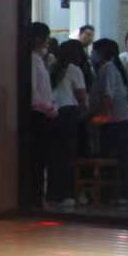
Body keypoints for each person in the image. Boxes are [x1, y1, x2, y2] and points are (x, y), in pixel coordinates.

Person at [90, 39, 128, 203]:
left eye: (94, 51)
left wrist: (103, 117)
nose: (92, 55)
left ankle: (125, 193)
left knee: (117, 155)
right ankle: (118, 193)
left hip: (115, 119)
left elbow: (108, 96)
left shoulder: (107, 68)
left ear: (101, 53)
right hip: (119, 118)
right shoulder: (111, 67)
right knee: (120, 155)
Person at [48, 39, 88, 209]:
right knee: (68, 155)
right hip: (69, 113)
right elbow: (81, 95)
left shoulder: (53, 67)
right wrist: (85, 110)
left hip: (53, 114)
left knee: (55, 156)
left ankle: (53, 193)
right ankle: (67, 194)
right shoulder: (74, 69)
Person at [29, 23, 59, 208]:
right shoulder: (33, 60)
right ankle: (35, 198)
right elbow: (33, 94)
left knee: (42, 159)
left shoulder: (39, 60)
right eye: (46, 38)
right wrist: (48, 107)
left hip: (44, 113)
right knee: (37, 160)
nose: (48, 42)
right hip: (38, 115)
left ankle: (38, 197)